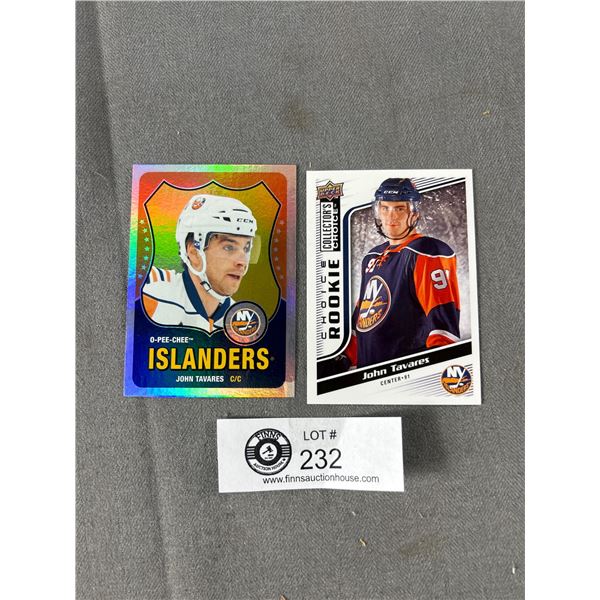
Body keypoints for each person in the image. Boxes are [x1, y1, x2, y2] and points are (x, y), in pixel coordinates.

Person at [340, 178, 461, 371]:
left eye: (399, 208)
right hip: (366, 374)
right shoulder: (371, 257)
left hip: (404, 374)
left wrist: (435, 370)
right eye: (385, 208)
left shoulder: (427, 252)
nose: (391, 216)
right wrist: (344, 358)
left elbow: (443, 329)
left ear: (414, 213)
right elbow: (362, 319)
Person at [141, 194, 257, 334]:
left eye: (246, 248)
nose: (242, 262)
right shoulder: (149, 288)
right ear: (194, 253)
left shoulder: (242, 322)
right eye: (229, 247)